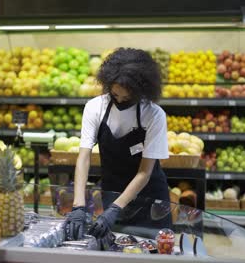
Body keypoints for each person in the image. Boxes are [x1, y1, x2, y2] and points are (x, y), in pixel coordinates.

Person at [63, 48, 171, 247]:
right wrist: (78, 205)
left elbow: (145, 172)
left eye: (127, 99)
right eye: (115, 95)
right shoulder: (95, 107)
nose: (120, 101)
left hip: (150, 199)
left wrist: (115, 209)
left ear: (141, 92)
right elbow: (84, 157)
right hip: (112, 190)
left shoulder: (154, 115)